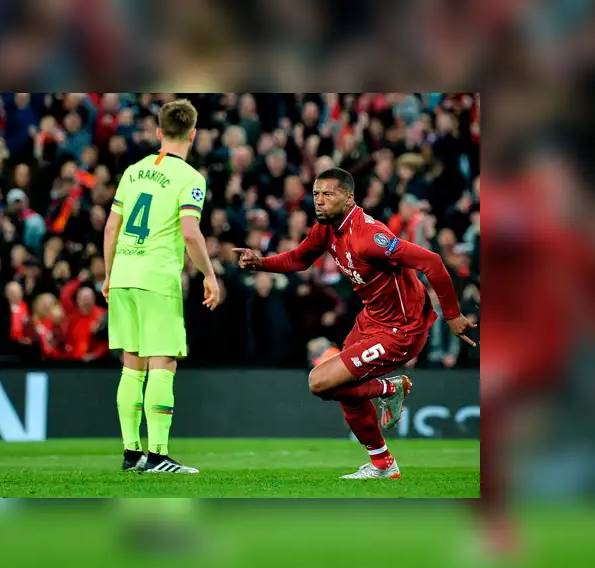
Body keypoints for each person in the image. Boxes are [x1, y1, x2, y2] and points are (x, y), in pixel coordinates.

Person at [234, 167, 476, 479]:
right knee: (339, 388)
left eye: (328, 194)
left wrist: (452, 315)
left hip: (401, 329)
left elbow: (432, 262)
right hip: (370, 320)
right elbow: (299, 259)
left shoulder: (370, 238)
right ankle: (383, 465)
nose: (319, 201)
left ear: (349, 199)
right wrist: (261, 263)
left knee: (319, 381)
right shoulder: (327, 229)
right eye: (316, 194)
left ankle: (390, 388)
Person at [103, 98, 220, 474]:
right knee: (163, 363)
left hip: (123, 273)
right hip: (156, 277)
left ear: (158, 133)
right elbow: (190, 232)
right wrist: (209, 274)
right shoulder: (190, 179)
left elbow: (110, 227)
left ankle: (131, 452)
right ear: (193, 135)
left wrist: (108, 274)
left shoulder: (133, 171)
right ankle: (157, 455)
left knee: (131, 366)